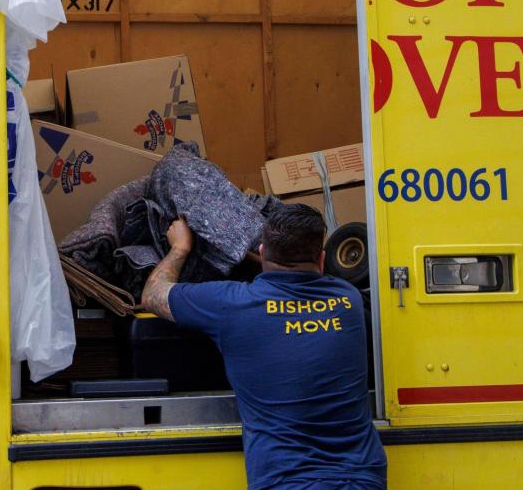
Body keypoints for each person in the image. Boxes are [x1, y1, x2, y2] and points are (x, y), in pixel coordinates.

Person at [141, 203, 386, 490]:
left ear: (261, 252)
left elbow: (153, 294)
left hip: (285, 482)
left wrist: (180, 247)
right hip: (362, 480)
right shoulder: (349, 301)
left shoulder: (231, 305)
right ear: (321, 259)